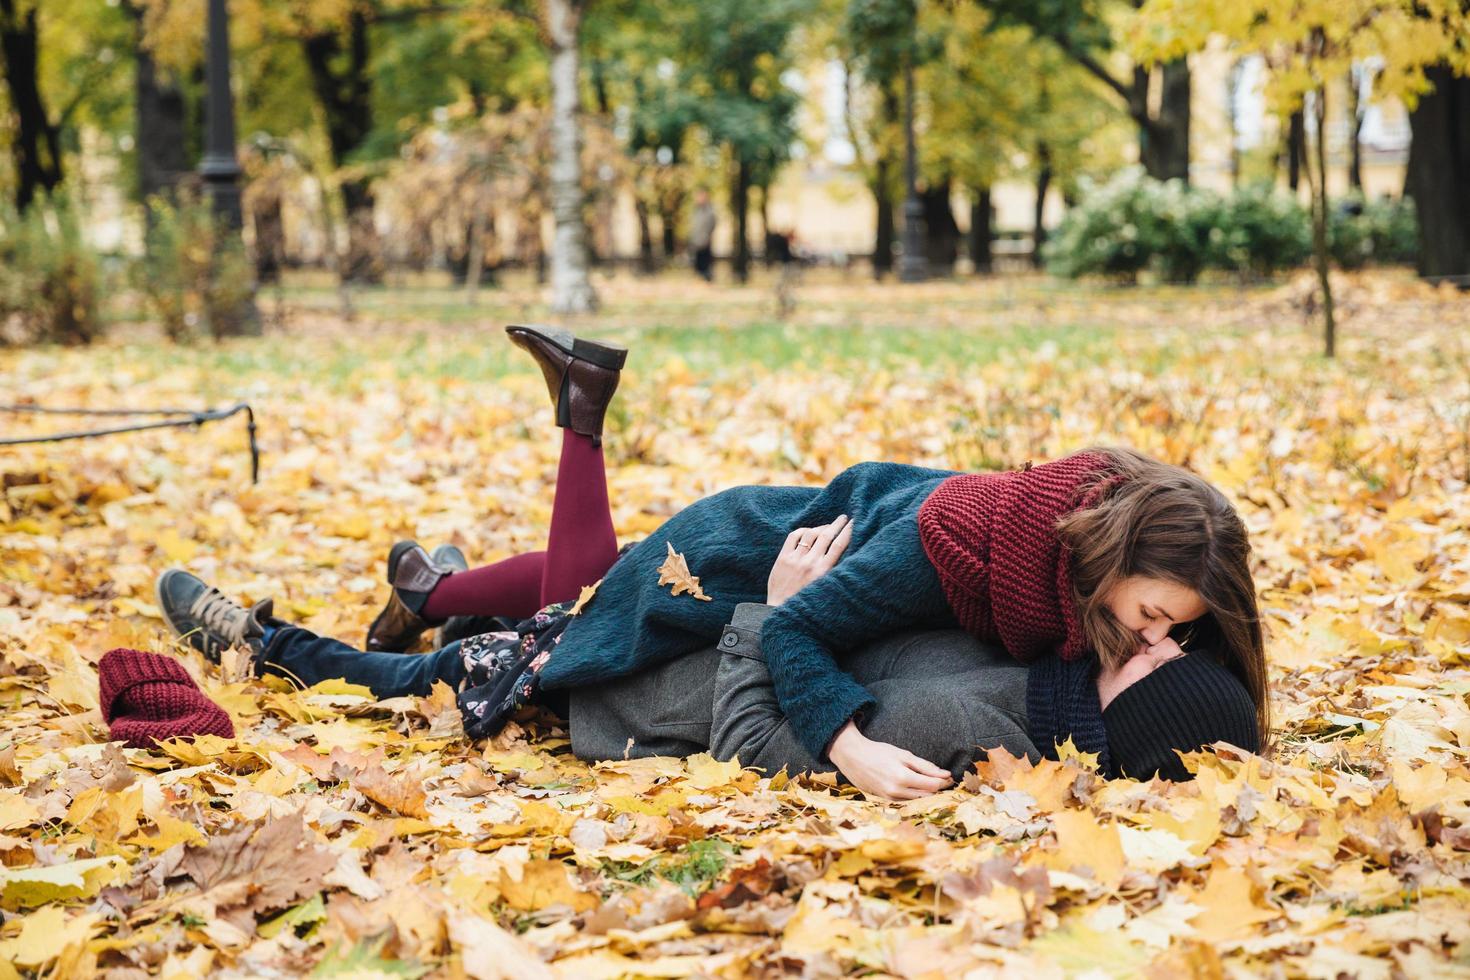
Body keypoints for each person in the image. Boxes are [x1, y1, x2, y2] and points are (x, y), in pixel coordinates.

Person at [156, 325, 1266, 798]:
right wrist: (846, 743)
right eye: (1158, 615)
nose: (1161, 633)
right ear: (1103, 555)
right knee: (550, 639)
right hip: (740, 566)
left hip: (754, 608)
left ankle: (433, 595)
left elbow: (1177, 666)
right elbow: (793, 630)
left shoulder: (1067, 590)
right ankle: (294, 636)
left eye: (1171, 636)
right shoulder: (965, 555)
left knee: (545, 621)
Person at [689, 190, 716, 282]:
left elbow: (712, 225)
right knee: (698, 263)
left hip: (705, 241)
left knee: (705, 263)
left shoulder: (709, 211)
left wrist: (708, 237)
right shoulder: (697, 211)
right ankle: (700, 280)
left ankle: (707, 281)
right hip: (697, 241)